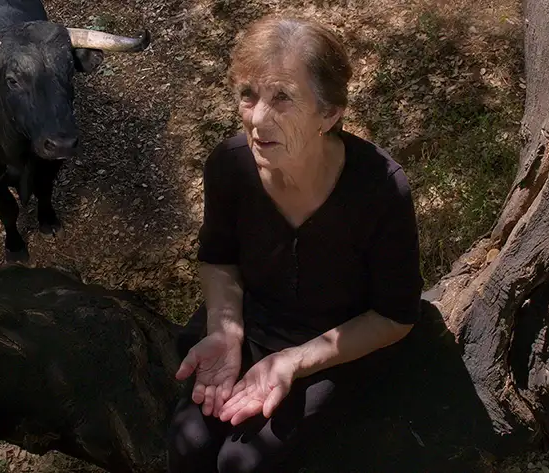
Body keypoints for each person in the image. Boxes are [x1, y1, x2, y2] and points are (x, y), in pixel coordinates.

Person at [166, 15, 424, 473]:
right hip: (252, 320)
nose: (256, 118)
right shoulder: (230, 166)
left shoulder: (381, 189)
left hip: (333, 347)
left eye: (282, 98)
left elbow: (395, 316)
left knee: (242, 464)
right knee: (188, 446)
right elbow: (219, 259)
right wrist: (225, 331)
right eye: (248, 94)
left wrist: (295, 362)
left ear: (330, 112)